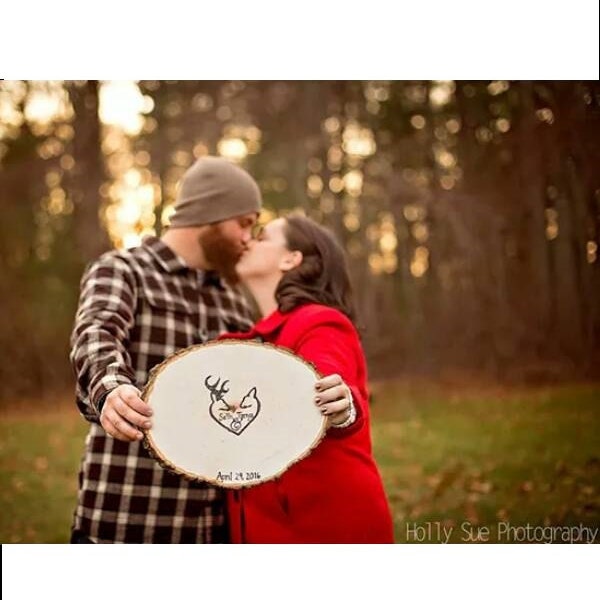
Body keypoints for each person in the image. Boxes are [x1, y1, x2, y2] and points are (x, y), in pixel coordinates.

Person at [69, 157, 353, 543]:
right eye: (244, 223)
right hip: (130, 514)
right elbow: (96, 331)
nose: (248, 238)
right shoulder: (123, 269)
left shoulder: (235, 302)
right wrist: (109, 389)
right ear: (210, 214)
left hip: (214, 526)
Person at [220, 215, 395, 543]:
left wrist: (343, 407)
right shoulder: (255, 339)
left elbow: (331, 375)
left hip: (327, 526)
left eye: (262, 236)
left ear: (291, 258)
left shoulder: (320, 321)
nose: (248, 242)